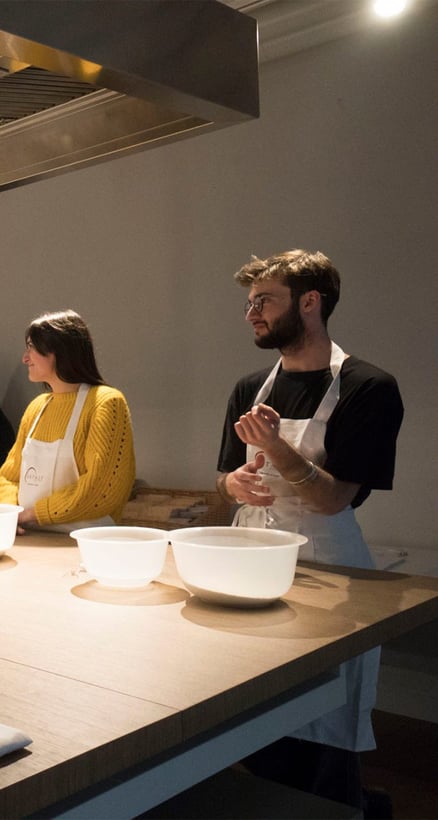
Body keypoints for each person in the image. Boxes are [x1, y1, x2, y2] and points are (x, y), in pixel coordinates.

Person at [217, 250, 403, 808]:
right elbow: (224, 477)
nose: (252, 313)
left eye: (264, 301)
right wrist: (236, 486)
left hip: (330, 571)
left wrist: (275, 447)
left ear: (310, 302)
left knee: (323, 723)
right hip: (251, 567)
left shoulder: (368, 387)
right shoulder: (251, 385)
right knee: (251, 716)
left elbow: (332, 498)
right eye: (249, 303)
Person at [0, 310, 135, 532]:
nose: (25, 358)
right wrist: (9, 512)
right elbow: (10, 475)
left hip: (83, 545)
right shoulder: (37, 407)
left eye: (31, 347)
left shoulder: (106, 403)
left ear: (59, 351)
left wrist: (33, 514)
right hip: (29, 538)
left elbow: (102, 487)